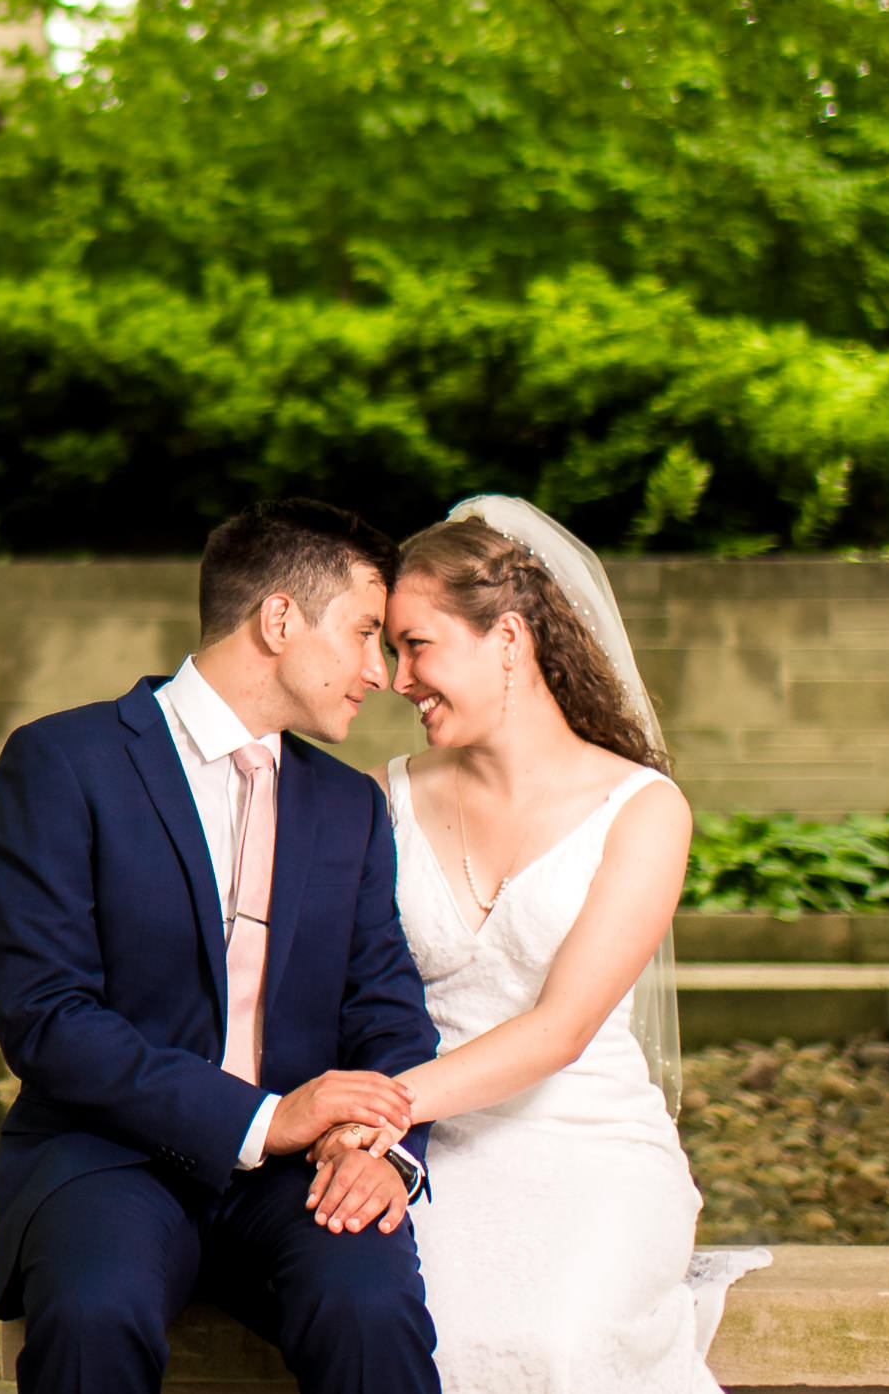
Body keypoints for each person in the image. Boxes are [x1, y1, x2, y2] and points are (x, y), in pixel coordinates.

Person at [0, 499, 442, 1394]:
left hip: (301, 1176)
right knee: (92, 1316)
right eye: (363, 634)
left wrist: (376, 1147)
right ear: (278, 619)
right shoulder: (63, 762)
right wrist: (264, 1119)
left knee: (372, 1314)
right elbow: (46, 1018)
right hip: (103, 1156)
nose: (379, 672)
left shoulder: (349, 806)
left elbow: (387, 1011)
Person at [312, 496, 731, 1392]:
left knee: (559, 1346)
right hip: (435, 1151)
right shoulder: (381, 801)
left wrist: (373, 1111)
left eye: (416, 644)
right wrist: (374, 1135)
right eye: (388, 648)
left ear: (508, 637)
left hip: (589, 1144)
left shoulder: (643, 809)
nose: (396, 676)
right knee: (425, 1337)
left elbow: (562, 1030)